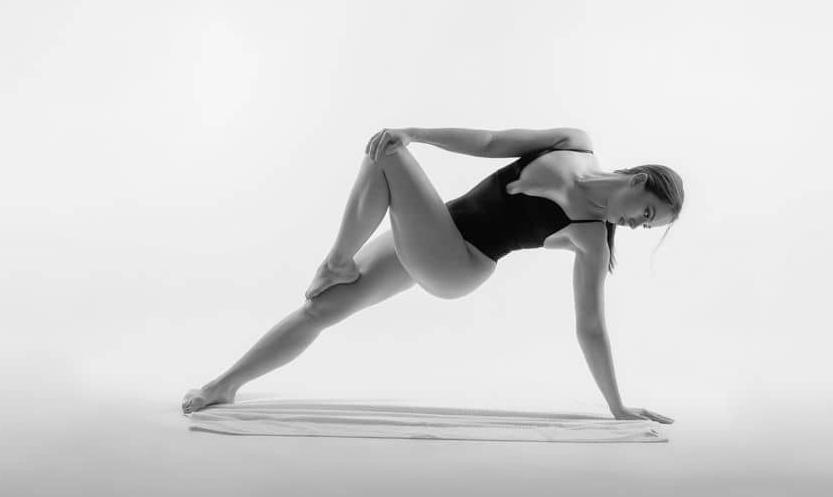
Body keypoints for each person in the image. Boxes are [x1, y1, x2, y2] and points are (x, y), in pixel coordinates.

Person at [180, 126, 683, 423]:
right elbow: (488, 141)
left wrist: (618, 407)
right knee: (320, 311)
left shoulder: (591, 236)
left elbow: (590, 326)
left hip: (458, 265)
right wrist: (417, 130)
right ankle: (225, 384)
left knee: (388, 154)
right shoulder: (572, 142)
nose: (635, 225)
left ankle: (337, 259)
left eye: (645, 227)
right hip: (435, 229)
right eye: (645, 213)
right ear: (639, 181)